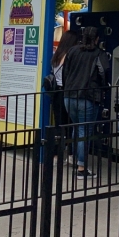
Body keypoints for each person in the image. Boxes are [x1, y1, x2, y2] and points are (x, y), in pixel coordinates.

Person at [61, 26, 110, 178]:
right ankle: (81, 168)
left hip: (69, 96)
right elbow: (104, 73)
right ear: (96, 39)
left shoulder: (73, 51)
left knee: (77, 128)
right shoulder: (98, 54)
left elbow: (65, 72)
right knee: (84, 131)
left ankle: (76, 159)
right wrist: (103, 88)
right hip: (88, 96)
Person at [49, 29, 81, 164]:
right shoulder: (70, 56)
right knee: (74, 125)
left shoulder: (56, 56)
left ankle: (57, 155)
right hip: (69, 93)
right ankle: (73, 155)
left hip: (57, 94)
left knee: (59, 125)